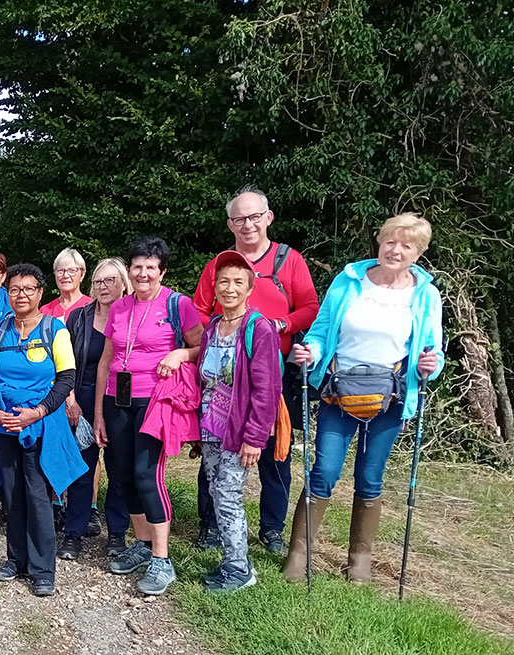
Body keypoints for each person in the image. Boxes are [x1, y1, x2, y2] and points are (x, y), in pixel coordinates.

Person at [285, 213, 443, 584]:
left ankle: (360, 560)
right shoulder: (349, 281)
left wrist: (430, 366)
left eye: (406, 245)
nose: (396, 250)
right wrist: (310, 349)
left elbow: (431, 351)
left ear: (418, 253)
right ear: (380, 242)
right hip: (338, 394)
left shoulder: (425, 294)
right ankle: (299, 554)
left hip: (389, 399)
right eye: (391, 241)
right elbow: (322, 330)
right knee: (323, 472)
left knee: (370, 478)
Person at [190, 185, 320, 553]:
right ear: (230, 224)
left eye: (254, 217)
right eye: (239, 219)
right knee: (217, 443)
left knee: (275, 451)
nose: (247, 224)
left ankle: (272, 529)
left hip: (273, 371)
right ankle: (211, 525)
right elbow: (201, 310)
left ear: (268, 218)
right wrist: (209, 341)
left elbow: (310, 307)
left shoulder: (287, 260)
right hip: (225, 371)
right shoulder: (219, 264)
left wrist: (279, 325)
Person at [94, 236, 202, 596]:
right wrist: (98, 413)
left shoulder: (177, 304)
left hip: (155, 401)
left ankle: (162, 559)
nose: (143, 273)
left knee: (146, 473)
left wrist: (181, 356)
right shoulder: (120, 307)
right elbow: (106, 360)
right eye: (137, 266)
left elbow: (202, 345)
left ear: (162, 271)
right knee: (122, 475)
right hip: (116, 399)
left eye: (150, 267)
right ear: (130, 270)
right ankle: (140, 544)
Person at [0, 263, 86, 597]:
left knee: (38, 495)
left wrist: (36, 412)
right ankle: (16, 559)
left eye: (28, 288)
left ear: (40, 292)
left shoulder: (55, 329)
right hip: (4, 427)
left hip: (41, 426)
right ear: (7, 294)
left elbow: (67, 378)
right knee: (11, 494)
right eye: (14, 289)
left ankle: (42, 570)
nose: (20, 295)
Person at [194, 251, 283, 594]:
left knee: (228, 495)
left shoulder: (258, 329)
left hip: (239, 432)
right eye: (223, 282)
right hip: (212, 427)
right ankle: (233, 560)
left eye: (237, 283)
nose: (229, 289)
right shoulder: (213, 327)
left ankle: (239, 569)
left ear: (250, 289)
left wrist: (255, 438)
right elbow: (205, 378)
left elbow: (267, 389)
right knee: (218, 492)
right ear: (214, 287)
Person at [58, 258, 131, 560]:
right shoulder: (78, 317)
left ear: (123, 284)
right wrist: (69, 397)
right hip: (81, 397)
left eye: (110, 281)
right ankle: (73, 532)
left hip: (119, 398)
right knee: (80, 468)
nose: (103, 287)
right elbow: (64, 360)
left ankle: (117, 532)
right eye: (99, 281)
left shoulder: (131, 315)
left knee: (119, 468)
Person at [41, 248, 92, 320]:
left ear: (82, 275)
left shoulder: (92, 307)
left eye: (72, 270)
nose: (65, 276)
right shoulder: (45, 311)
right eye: (60, 271)